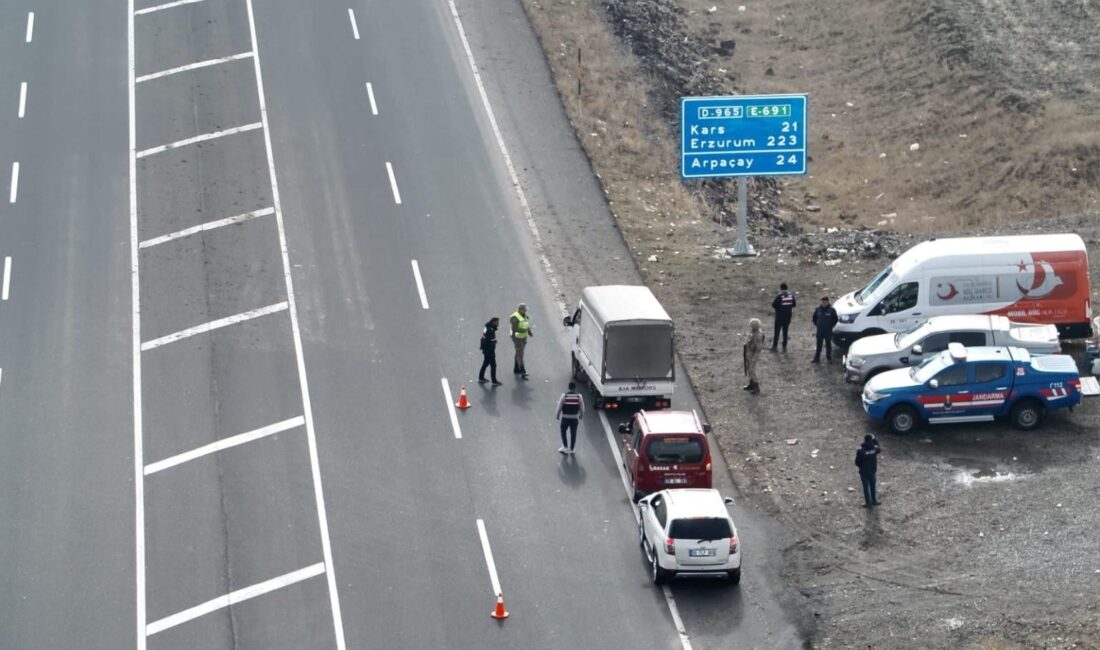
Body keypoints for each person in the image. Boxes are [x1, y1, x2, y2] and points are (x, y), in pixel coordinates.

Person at [555, 381, 585, 454]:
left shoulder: (564, 396)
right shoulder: (579, 396)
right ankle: (572, 449)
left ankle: (565, 447)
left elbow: (559, 406)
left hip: (565, 418)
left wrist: (557, 415)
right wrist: (581, 415)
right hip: (574, 418)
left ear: (569, 387)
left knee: (563, 431)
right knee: (573, 433)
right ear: (575, 388)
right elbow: (582, 408)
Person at [854, 434, 882, 507]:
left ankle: (868, 503)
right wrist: (875, 439)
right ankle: (874, 500)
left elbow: (857, 462)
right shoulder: (874, 449)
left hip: (864, 472)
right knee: (873, 486)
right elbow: (879, 448)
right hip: (872, 471)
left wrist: (860, 466)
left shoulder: (860, 451)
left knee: (866, 487)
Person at [812, 296, 839, 363]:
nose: (823, 303)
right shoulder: (818, 309)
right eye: (822, 302)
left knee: (828, 345)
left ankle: (829, 359)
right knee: (819, 345)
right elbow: (814, 318)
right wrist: (817, 325)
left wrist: (830, 326)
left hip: (828, 331)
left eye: (824, 302)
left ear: (827, 302)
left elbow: (835, 319)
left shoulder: (832, 310)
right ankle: (816, 359)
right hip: (820, 331)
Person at [771, 282, 796, 351]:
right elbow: (794, 304)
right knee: (785, 331)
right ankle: (784, 346)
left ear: (781, 289)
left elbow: (773, 304)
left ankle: (775, 346)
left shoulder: (780, 296)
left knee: (777, 332)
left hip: (779, 316)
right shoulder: (791, 296)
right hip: (788, 316)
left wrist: (778, 309)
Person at [510, 303, 533, 379]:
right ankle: (522, 371)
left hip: (523, 337)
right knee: (520, 354)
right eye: (525, 310)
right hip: (517, 338)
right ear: (520, 310)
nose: (526, 311)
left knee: (518, 352)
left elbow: (526, 324)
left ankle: (516, 369)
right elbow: (515, 329)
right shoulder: (514, 317)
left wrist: (529, 332)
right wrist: (525, 330)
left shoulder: (525, 316)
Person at [743, 318, 765, 394]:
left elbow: (758, 348)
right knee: (749, 369)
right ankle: (751, 384)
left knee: (752, 370)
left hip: (753, 355)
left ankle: (756, 387)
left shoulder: (758, 335)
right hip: (750, 353)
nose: (752, 327)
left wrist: (754, 358)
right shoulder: (753, 332)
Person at [478, 317, 502, 386]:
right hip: (489, 350)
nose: (498, 324)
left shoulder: (488, 328)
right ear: (493, 322)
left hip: (487, 350)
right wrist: (493, 342)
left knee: (485, 363)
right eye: (497, 322)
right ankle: (494, 381)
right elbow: (488, 341)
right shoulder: (490, 330)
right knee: (493, 365)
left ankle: (481, 377)